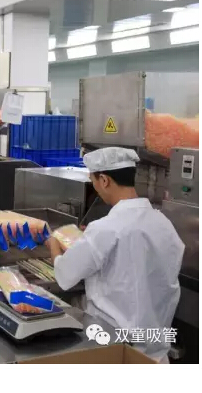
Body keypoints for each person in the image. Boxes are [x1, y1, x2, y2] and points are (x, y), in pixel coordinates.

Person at [46, 147, 184, 364]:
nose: (95, 188)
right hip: (155, 355)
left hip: (116, 351)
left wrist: (54, 242)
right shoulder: (164, 224)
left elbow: (65, 276)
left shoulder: (105, 228)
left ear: (104, 180)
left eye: (93, 181)